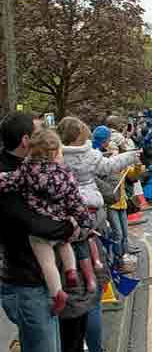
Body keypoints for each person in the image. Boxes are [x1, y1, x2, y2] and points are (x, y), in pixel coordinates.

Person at [0, 114, 89, 352]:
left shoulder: (25, 171)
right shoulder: (14, 177)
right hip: (25, 285)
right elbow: (39, 224)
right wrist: (71, 225)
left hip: (37, 285)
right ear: (25, 140)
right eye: (38, 131)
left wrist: (70, 224)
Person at [0, 127, 91, 313]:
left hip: (39, 225)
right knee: (65, 245)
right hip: (63, 221)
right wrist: (85, 221)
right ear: (57, 151)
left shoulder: (26, 169)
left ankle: (57, 293)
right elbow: (75, 201)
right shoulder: (65, 173)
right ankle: (71, 270)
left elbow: (9, 181)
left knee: (47, 263)